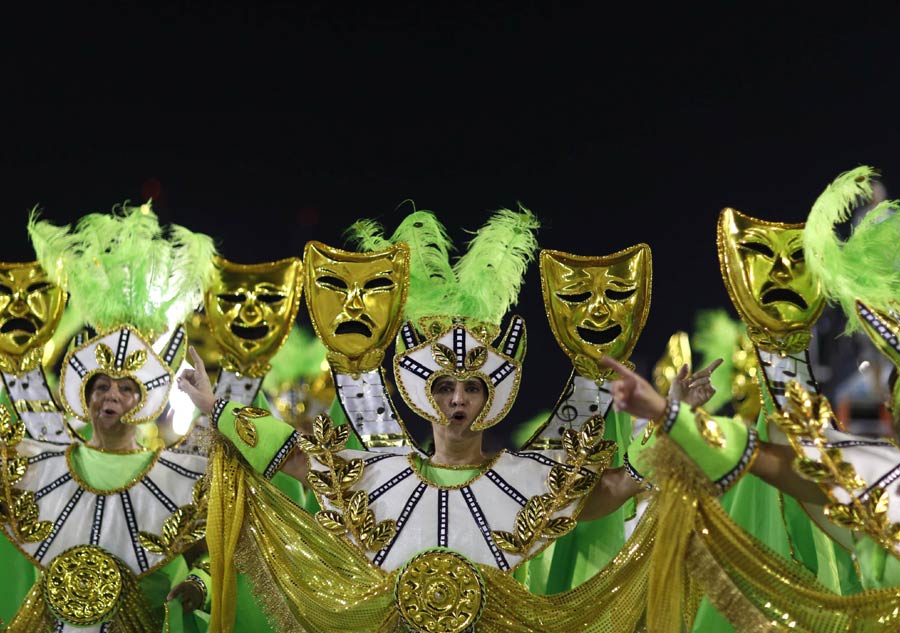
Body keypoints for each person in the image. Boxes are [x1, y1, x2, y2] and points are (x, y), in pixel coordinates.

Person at [176, 206, 694, 632]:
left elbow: (611, 490)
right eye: (444, 387)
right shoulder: (379, 475)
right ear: (425, 397)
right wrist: (214, 407)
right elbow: (294, 459)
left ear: (491, 397)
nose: (458, 400)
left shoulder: (525, 477)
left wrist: (671, 420)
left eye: (472, 387)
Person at [1, 202, 215, 632]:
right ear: (84, 396)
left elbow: (209, 550)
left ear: (146, 399)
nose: (110, 395)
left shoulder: (177, 470)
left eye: (125, 387)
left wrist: (199, 582)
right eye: (101, 386)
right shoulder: (46, 461)